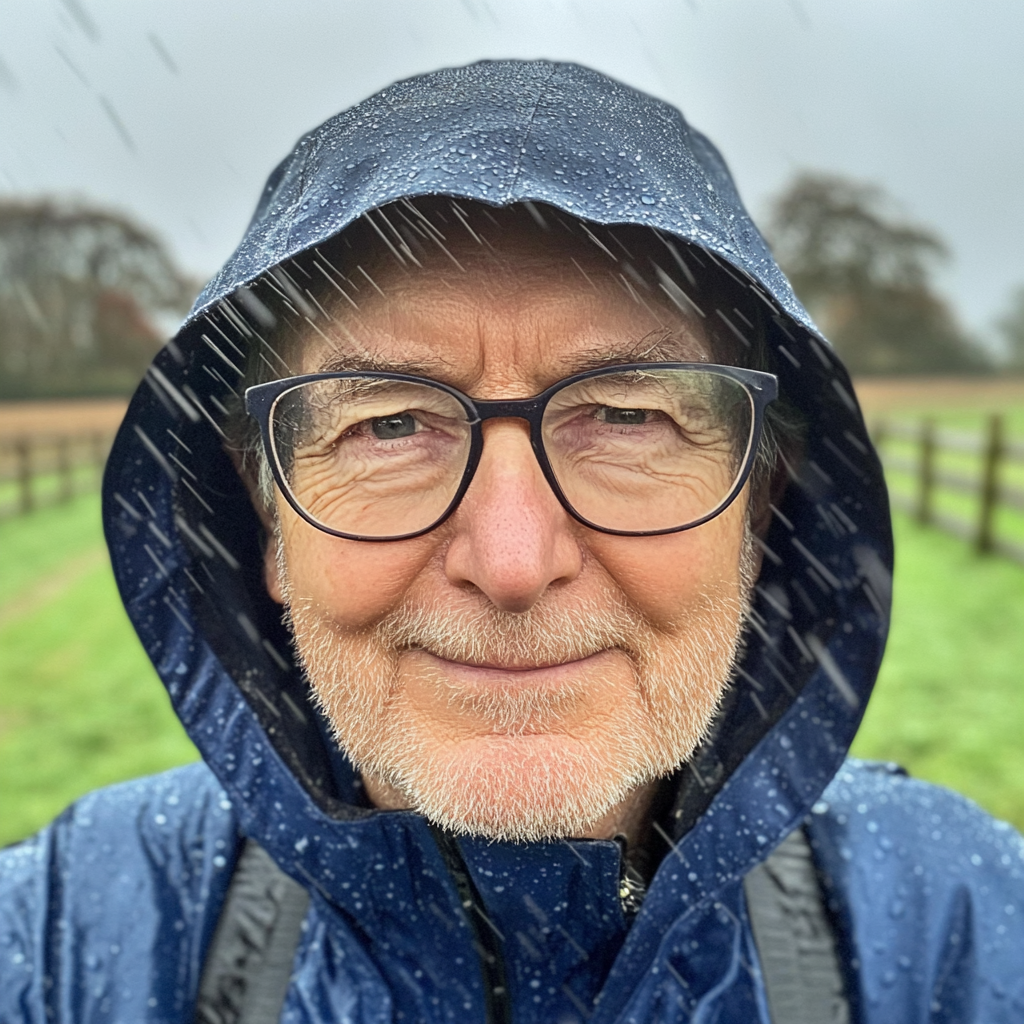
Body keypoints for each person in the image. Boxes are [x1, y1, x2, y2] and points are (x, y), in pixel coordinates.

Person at [2, 60, 1022, 1024]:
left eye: (627, 418)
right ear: (270, 521)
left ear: (756, 508)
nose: (512, 562)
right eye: (388, 425)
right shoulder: (65, 939)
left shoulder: (958, 934)